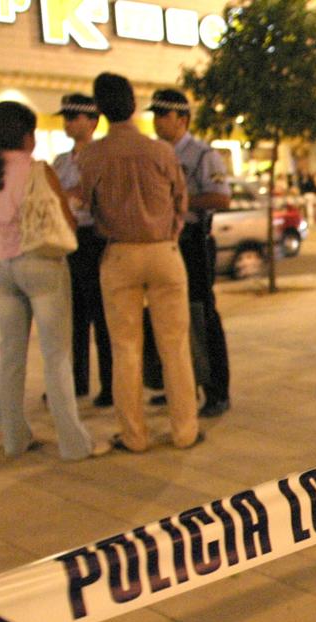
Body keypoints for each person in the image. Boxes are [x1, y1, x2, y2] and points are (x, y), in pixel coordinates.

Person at [0, 101, 107, 459]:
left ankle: (14, 438)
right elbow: (67, 221)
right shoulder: (39, 171)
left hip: (0, 267)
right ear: (28, 135)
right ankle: (74, 443)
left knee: (10, 356)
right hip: (41, 265)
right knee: (56, 355)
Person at [77, 72, 200, 452]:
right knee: (175, 345)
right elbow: (181, 202)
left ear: (99, 109)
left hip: (119, 253)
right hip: (164, 251)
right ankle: (184, 431)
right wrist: (169, 232)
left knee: (125, 348)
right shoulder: (161, 152)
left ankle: (134, 435)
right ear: (132, 103)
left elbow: (88, 205)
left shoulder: (92, 155)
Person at [148, 89, 232, 418]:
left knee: (201, 317)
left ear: (182, 119)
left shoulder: (201, 155)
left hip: (193, 240)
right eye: (154, 115)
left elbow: (221, 198)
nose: (156, 122)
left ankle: (216, 390)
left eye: (162, 115)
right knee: (168, 317)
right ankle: (178, 385)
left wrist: (178, 202)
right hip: (163, 242)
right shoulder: (154, 153)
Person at [53, 93, 112, 408]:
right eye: (66, 117)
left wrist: (76, 195)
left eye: (74, 117)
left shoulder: (103, 156)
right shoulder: (61, 162)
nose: (68, 122)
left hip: (96, 237)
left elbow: (105, 196)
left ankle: (110, 384)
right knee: (72, 316)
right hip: (67, 240)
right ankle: (76, 382)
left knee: (101, 314)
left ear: (93, 121)